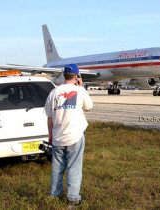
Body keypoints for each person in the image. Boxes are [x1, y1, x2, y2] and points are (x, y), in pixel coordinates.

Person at [44, 63, 93, 206]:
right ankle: (72, 198)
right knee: (74, 168)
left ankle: (54, 195)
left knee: (57, 168)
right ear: (77, 76)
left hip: (58, 135)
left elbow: (49, 116)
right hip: (75, 136)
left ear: (63, 75)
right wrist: (81, 87)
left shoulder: (54, 92)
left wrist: (50, 135)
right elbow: (89, 107)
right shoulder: (79, 91)